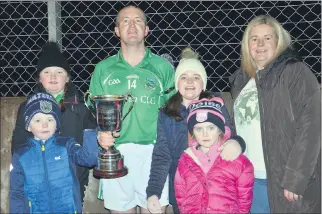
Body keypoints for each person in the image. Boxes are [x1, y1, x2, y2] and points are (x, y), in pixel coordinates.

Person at [230, 15, 321, 213]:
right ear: (247, 44)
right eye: (254, 38)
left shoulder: (295, 73)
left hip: (282, 182)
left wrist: (296, 179)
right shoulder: (241, 79)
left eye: (267, 38)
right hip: (248, 177)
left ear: (278, 42)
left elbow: (311, 127)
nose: (260, 43)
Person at [89, 5, 175, 213]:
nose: (132, 25)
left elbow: (173, 112)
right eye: (125, 21)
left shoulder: (163, 68)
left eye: (138, 20)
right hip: (117, 151)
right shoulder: (103, 69)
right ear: (117, 30)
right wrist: (101, 134)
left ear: (146, 30)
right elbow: (93, 111)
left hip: (155, 154)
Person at [146, 48, 246, 214]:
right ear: (177, 82)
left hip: (217, 189)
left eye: (196, 77)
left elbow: (231, 136)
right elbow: (162, 156)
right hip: (184, 191)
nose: (190, 81)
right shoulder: (166, 113)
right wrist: (153, 192)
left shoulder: (216, 105)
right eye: (184, 77)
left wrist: (237, 143)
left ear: (204, 82)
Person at [11, 42, 96, 204]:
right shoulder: (28, 106)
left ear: (68, 77)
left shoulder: (82, 106)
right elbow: (19, 143)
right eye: (47, 72)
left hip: (71, 184)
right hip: (37, 183)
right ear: (39, 77)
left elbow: (90, 143)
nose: (53, 77)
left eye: (59, 72)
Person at [9, 92, 98, 213]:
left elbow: (89, 159)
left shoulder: (66, 145)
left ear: (57, 124)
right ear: (28, 126)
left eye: (50, 119)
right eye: (38, 120)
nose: (44, 125)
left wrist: (90, 129)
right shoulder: (20, 154)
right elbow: (16, 192)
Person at [174, 97, 254, 213]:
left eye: (211, 128)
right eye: (199, 129)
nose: (205, 134)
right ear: (193, 132)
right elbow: (180, 193)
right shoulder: (186, 159)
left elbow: (244, 199)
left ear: (220, 130)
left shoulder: (238, 161)